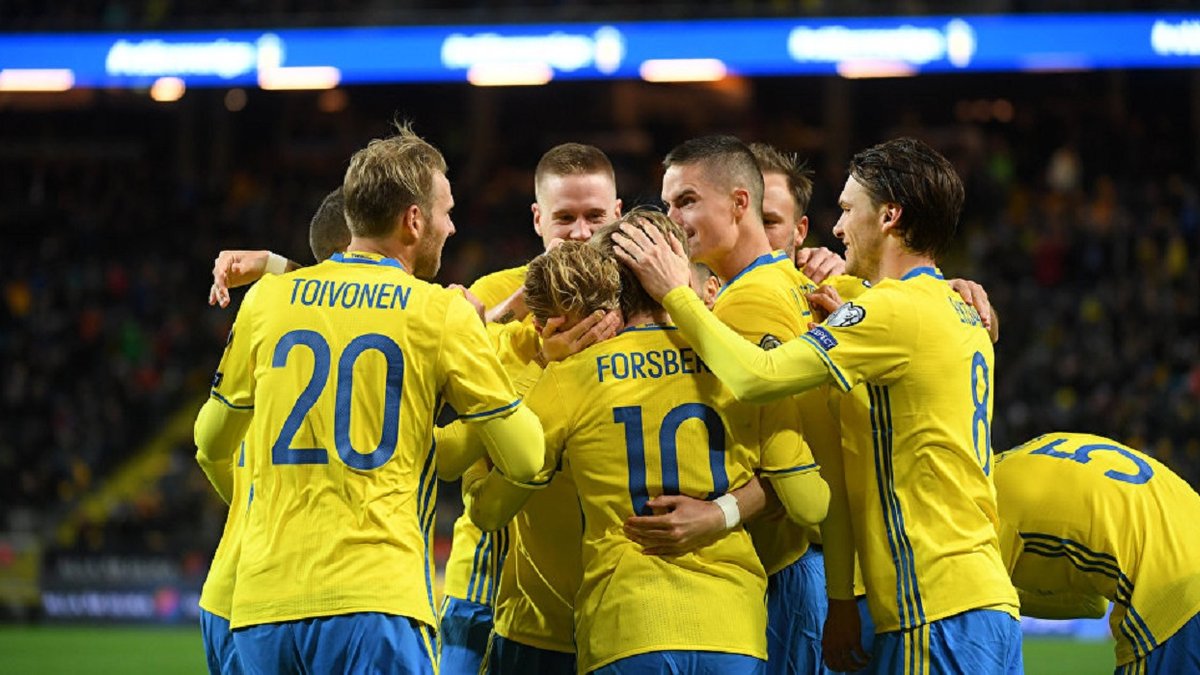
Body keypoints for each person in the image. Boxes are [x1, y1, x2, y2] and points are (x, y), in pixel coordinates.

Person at [614, 137, 1022, 674]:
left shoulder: (886, 311)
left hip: (932, 597)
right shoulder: (955, 305)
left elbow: (757, 377)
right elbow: (841, 458)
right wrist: (841, 598)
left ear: (889, 217)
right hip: (981, 596)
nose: (838, 227)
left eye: (849, 209)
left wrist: (676, 294)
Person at [193, 125, 546, 674]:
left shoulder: (266, 301)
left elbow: (210, 441)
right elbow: (525, 457)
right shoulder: (439, 312)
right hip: (376, 601)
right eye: (446, 212)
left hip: (262, 606)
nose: (452, 226)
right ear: (413, 220)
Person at [470, 211, 831, 675]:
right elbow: (811, 504)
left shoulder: (570, 376)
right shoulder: (741, 364)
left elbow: (490, 512)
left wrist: (476, 472)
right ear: (680, 271)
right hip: (732, 630)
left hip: (626, 625)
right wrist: (725, 512)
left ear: (606, 284)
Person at [994, 432, 1200, 675]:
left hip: (1174, 592)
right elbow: (1093, 604)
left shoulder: (983, 508)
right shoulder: (1030, 453)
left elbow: (985, 608)